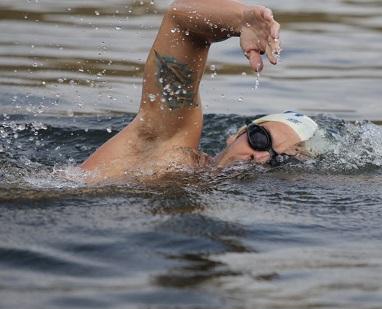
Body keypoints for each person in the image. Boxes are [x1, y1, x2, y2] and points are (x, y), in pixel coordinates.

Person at [80, 0, 318, 183]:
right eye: (260, 140)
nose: (262, 157)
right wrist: (241, 19)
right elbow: (180, 21)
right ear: (236, 135)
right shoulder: (171, 151)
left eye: (281, 161)